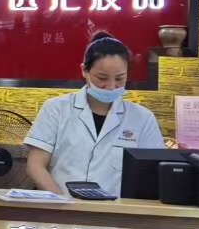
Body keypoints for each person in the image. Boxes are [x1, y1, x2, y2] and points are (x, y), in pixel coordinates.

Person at [25, 35, 165, 195]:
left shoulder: (143, 118)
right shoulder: (56, 109)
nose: (111, 86)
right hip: (61, 206)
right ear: (84, 70)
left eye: (119, 78)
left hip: (114, 209)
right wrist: (62, 201)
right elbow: (35, 166)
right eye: (102, 78)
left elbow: (152, 173)